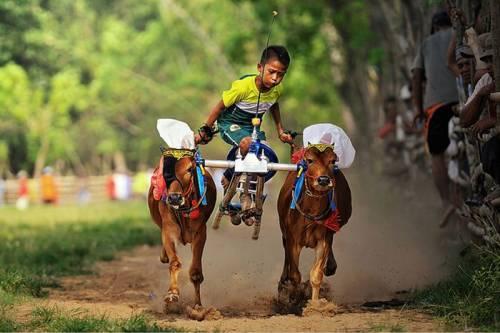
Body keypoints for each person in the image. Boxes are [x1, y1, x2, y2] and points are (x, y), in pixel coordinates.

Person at [194, 45, 294, 209]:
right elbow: (219, 107)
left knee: (268, 157)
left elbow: (274, 106)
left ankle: (238, 182)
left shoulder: (277, 90)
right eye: (271, 72)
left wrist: (280, 131)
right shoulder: (242, 87)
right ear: (259, 67)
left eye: (281, 74)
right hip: (230, 124)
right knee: (249, 145)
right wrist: (205, 129)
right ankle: (244, 193)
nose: (275, 78)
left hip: (252, 129)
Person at [412, 11, 459, 213]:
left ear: (434, 26)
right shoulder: (460, 33)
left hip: (437, 107)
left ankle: (446, 201)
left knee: (436, 153)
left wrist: (418, 109)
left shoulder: (426, 43)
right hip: (466, 101)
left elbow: (416, 77)